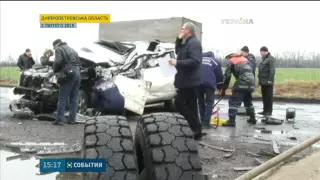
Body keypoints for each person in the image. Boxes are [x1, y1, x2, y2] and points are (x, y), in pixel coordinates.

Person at [168, 22, 204, 140]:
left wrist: (177, 62)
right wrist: (178, 40)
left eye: (183, 29)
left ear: (188, 30)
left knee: (179, 103)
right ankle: (196, 132)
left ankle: (196, 127)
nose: (180, 30)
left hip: (190, 81)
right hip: (185, 80)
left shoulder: (194, 43)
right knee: (192, 106)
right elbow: (179, 52)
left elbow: (195, 61)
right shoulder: (186, 43)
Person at [220, 53, 256, 127]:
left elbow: (227, 77)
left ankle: (231, 121)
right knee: (248, 101)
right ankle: (253, 118)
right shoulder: (245, 60)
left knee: (233, 102)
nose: (228, 61)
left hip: (242, 82)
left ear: (230, 57)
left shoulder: (232, 61)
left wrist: (223, 89)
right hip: (251, 82)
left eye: (227, 59)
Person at [52, 39, 82, 125]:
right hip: (77, 73)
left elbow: (58, 61)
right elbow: (80, 64)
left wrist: (56, 71)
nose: (54, 49)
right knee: (74, 98)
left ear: (56, 45)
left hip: (68, 73)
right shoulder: (73, 50)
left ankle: (59, 120)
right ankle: (72, 120)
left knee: (62, 98)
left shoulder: (59, 49)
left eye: (54, 48)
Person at [198, 51, 223, 128]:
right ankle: (206, 123)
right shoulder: (215, 61)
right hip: (209, 84)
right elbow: (219, 75)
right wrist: (219, 86)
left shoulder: (198, 59)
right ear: (212, 55)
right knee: (209, 102)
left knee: (201, 102)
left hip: (197, 83)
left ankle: (202, 120)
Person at [258, 46, 276, 116]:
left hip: (268, 81)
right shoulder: (264, 59)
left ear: (264, 51)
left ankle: (269, 111)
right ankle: (265, 110)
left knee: (268, 97)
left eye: (261, 52)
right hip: (263, 81)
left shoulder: (270, 59)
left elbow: (272, 70)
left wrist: (270, 80)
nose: (260, 53)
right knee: (264, 97)